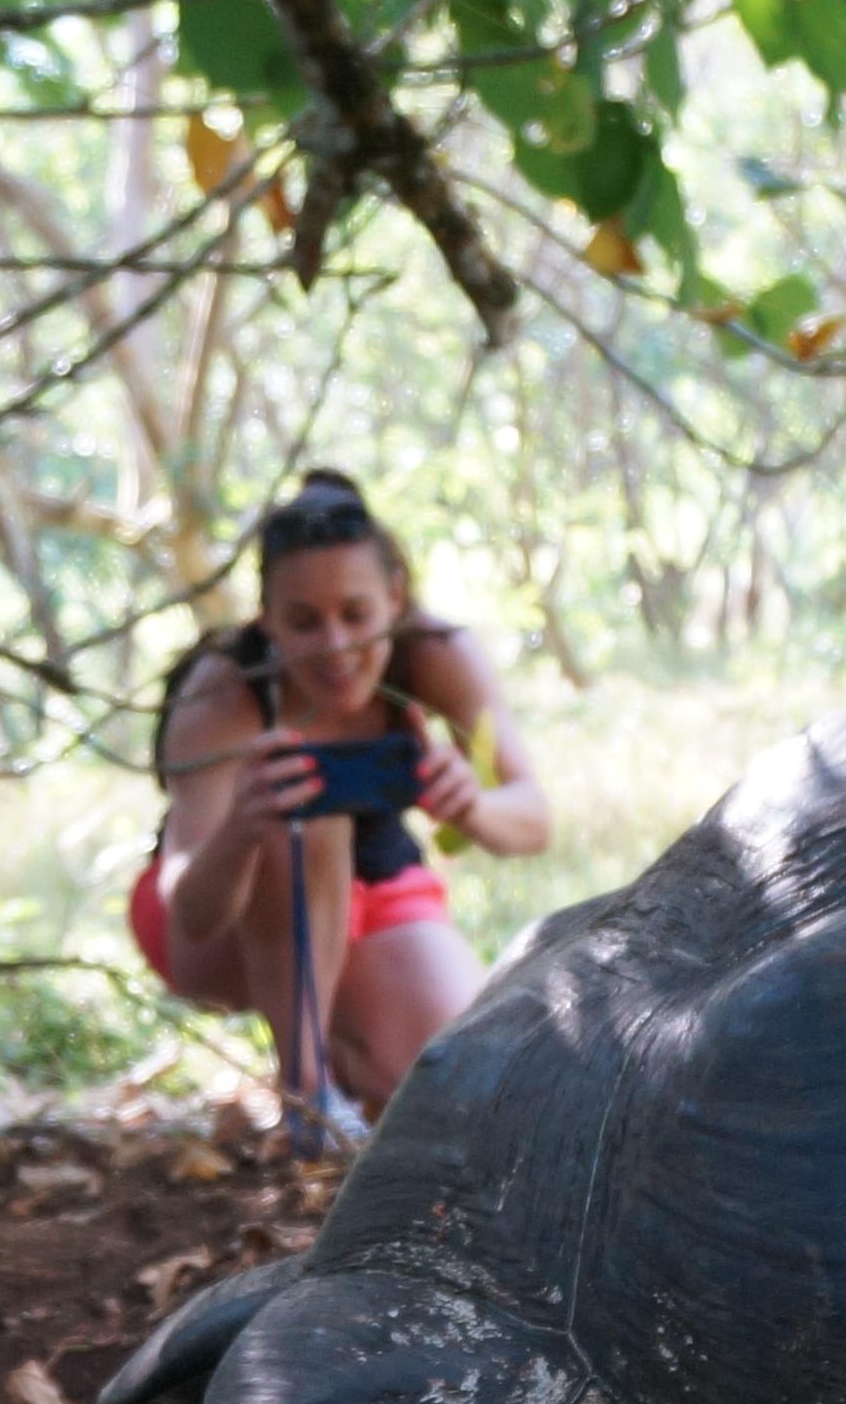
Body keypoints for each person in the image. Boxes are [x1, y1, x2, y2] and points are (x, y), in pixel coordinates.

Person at [135, 471, 549, 1143]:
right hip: (219, 914)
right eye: (303, 622)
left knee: (460, 1087)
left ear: (395, 599)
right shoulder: (223, 692)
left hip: (369, 890)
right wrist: (242, 826)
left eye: (355, 615)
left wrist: (470, 805)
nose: (335, 647)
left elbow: (532, 820)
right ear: (267, 618)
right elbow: (192, 910)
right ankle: (308, 1098)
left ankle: (349, 1050)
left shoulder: (436, 654)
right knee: (307, 817)